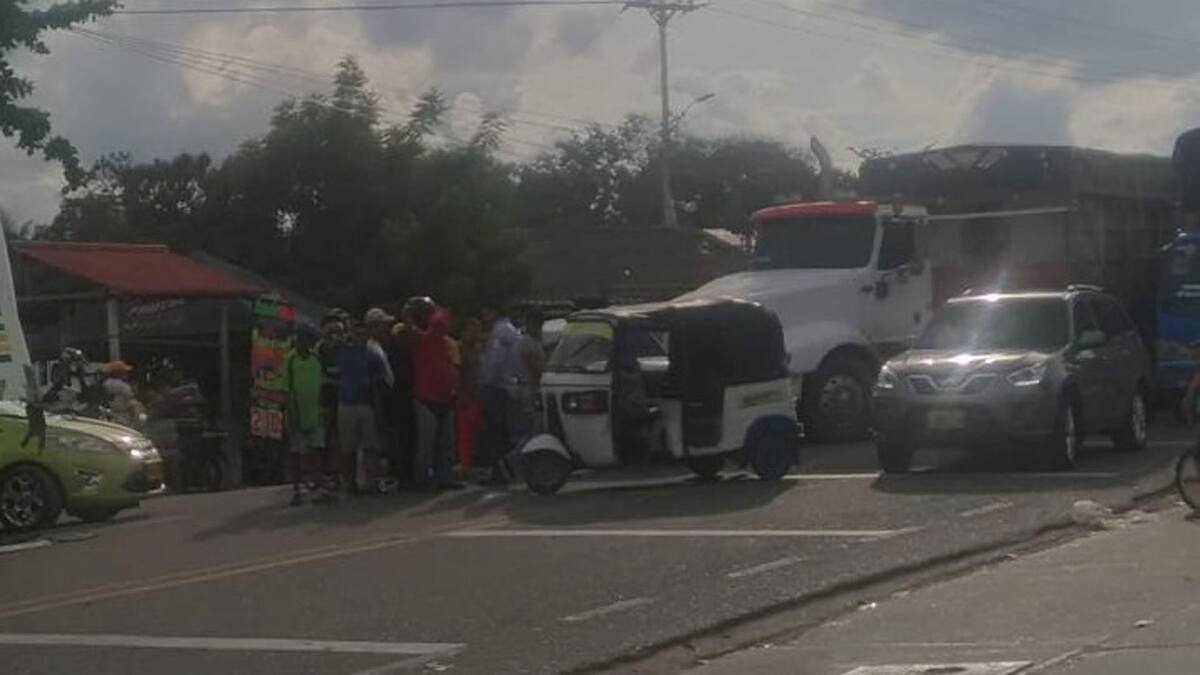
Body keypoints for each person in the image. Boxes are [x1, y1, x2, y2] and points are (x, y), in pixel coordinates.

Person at [410, 302, 462, 490]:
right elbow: (409, 327)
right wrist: (411, 309)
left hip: (446, 398)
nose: (441, 329)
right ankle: (422, 479)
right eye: (438, 325)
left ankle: (444, 477)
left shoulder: (448, 345)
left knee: (446, 443)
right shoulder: (422, 340)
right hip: (425, 399)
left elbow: (453, 370)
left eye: (444, 325)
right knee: (426, 443)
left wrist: (455, 389)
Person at [335, 320, 388, 493]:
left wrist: (372, 389)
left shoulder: (373, 355)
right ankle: (350, 483)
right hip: (346, 403)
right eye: (356, 333)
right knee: (347, 448)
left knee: (370, 446)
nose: (360, 337)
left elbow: (382, 379)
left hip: (366, 404)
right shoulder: (342, 352)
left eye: (362, 334)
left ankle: (371, 482)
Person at [477, 303, 522, 485]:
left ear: (494, 312)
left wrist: (485, 383)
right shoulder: (512, 331)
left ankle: (498, 473)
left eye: (486, 311)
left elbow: (495, 361)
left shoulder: (499, 332)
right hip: (509, 386)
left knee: (494, 433)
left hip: (496, 387)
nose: (483, 315)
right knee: (504, 432)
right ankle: (507, 471)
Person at [284, 323, 329, 505]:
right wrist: (290, 413)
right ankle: (297, 490)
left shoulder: (316, 359)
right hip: (297, 414)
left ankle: (319, 488)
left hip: (315, 415)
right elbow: (286, 390)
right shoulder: (290, 360)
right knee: (297, 454)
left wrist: (323, 410)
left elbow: (322, 386)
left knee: (317, 452)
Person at [454, 317, 485, 478]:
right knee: (465, 434)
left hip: (477, 396)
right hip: (465, 397)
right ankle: (465, 466)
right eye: (472, 330)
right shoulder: (458, 348)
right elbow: (457, 373)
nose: (475, 334)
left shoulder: (478, 350)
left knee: (476, 433)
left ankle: (473, 464)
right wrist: (460, 394)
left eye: (477, 330)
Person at [101, 360, 143, 428]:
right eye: (124, 372)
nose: (126, 373)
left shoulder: (105, 383)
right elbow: (131, 403)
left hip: (109, 415)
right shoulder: (124, 386)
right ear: (118, 373)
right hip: (123, 417)